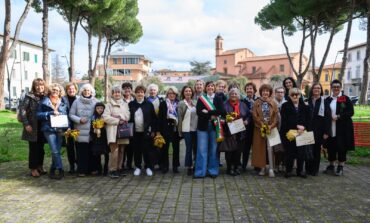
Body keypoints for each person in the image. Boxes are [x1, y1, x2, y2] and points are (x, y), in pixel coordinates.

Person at [194, 81, 225, 178]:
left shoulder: (218, 98)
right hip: (202, 127)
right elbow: (199, 112)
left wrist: (208, 112)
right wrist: (212, 114)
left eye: (212, 86)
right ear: (205, 88)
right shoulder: (201, 99)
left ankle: (213, 171)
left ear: (214, 88)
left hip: (215, 126)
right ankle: (200, 172)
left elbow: (222, 111)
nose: (210, 87)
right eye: (208, 86)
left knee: (213, 149)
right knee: (201, 150)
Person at [37, 83, 68, 179]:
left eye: (57, 90)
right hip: (48, 129)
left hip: (60, 128)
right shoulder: (44, 101)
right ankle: (60, 168)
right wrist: (49, 113)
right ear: (50, 91)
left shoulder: (63, 102)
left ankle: (52, 169)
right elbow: (38, 115)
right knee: (54, 150)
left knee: (57, 150)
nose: (55, 91)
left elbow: (67, 115)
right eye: (53, 90)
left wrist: (68, 127)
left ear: (60, 92)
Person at [324, 80, 354, 176]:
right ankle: (331, 165)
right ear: (331, 88)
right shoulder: (327, 99)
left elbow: (351, 112)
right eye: (334, 86)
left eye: (338, 86)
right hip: (330, 127)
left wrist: (339, 116)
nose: (336, 88)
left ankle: (340, 166)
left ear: (340, 88)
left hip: (342, 128)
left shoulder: (345, 99)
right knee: (331, 146)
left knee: (341, 147)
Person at [69, 83, 99, 177]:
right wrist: (79, 119)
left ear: (91, 92)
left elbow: (99, 113)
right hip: (80, 130)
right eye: (85, 90)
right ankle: (82, 170)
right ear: (82, 91)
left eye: (88, 90)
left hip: (92, 131)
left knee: (92, 151)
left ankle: (93, 169)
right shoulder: (76, 102)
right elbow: (71, 115)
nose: (86, 92)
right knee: (81, 152)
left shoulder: (95, 101)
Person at [19, 78, 47, 178]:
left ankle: (40, 166)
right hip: (32, 126)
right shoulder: (29, 97)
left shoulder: (45, 97)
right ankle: (33, 168)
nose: (40, 87)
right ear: (34, 86)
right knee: (34, 148)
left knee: (41, 148)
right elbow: (22, 111)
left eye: (41, 85)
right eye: (37, 85)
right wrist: (26, 124)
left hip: (43, 126)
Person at [280, 88, 310, 178]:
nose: (294, 96)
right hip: (289, 132)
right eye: (292, 94)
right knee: (289, 153)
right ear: (289, 96)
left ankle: (300, 171)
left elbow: (309, 119)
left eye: (296, 94)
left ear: (300, 96)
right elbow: (284, 120)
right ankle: (288, 171)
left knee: (301, 153)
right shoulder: (285, 106)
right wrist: (297, 126)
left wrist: (304, 127)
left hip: (302, 133)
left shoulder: (305, 106)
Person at [129, 85, 158, 176]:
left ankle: (148, 167)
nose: (140, 94)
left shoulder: (149, 104)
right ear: (135, 93)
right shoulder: (131, 104)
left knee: (147, 150)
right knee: (137, 150)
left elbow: (154, 119)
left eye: (141, 92)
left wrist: (153, 130)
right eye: (138, 92)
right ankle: (138, 167)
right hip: (135, 132)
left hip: (147, 132)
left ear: (144, 93)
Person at [102, 86, 131, 178]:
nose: (117, 94)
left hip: (123, 130)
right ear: (112, 94)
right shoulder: (108, 105)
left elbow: (128, 115)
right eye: (115, 92)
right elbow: (105, 117)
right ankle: (112, 170)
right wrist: (118, 120)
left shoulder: (125, 104)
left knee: (122, 150)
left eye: (119, 92)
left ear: (121, 94)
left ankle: (119, 168)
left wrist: (116, 116)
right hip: (113, 130)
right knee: (114, 150)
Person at [251, 84, 278, 177]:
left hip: (271, 128)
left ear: (270, 92)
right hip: (259, 128)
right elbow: (254, 116)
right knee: (260, 149)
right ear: (261, 92)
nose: (265, 92)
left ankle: (271, 168)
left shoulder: (273, 102)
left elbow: (276, 117)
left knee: (270, 149)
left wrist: (271, 126)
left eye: (267, 91)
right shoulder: (256, 102)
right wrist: (262, 125)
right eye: (263, 91)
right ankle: (262, 168)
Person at [223, 87, 251, 176]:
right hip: (229, 131)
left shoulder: (243, 105)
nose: (234, 95)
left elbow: (248, 115)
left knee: (238, 150)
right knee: (229, 150)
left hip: (240, 131)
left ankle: (236, 166)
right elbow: (221, 116)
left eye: (235, 94)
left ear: (238, 95)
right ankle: (229, 167)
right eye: (232, 94)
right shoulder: (225, 105)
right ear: (229, 95)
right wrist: (227, 119)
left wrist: (247, 121)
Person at [306, 83, 331, 176]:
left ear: (321, 90)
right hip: (308, 130)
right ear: (312, 89)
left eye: (319, 88)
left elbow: (328, 118)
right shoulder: (307, 101)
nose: (317, 89)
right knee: (308, 150)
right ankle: (308, 169)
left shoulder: (324, 102)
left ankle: (315, 170)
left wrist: (326, 132)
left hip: (319, 131)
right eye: (315, 88)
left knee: (316, 151)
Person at [158, 86, 181, 174]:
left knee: (176, 148)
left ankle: (175, 167)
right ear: (167, 94)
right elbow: (160, 118)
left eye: (173, 93)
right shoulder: (163, 103)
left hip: (175, 128)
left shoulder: (179, 103)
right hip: (165, 128)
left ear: (176, 95)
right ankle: (165, 166)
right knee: (165, 148)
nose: (171, 95)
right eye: (170, 93)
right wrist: (159, 130)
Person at [178, 86, 198, 176]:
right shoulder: (181, 103)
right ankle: (189, 167)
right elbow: (179, 118)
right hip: (186, 130)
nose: (188, 92)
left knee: (196, 148)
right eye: (186, 91)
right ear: (183, 93)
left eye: (190, 91)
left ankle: (196, 165)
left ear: (192, 93)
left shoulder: (195, 102)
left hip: (196, 128)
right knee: (189, 148)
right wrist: (180, 131)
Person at [62, 82, 79, 174]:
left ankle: (79, 164)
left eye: (73, 89)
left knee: (78, 146)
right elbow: (63, 113)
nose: (71, 90)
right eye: (69, 89)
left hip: (78, 125)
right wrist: (67, 126)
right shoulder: (63, 100)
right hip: (67, 126)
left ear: (76, 90)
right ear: (66, 90)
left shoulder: (79, 99)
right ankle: (72, 165)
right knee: (70, 147)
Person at [241, 82, 258, 171]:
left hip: (257, 127)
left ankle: (257, 165)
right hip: (246, 127)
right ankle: (244, 165)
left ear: (254, 90)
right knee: (246, 147)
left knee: (256, 146)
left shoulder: (259, 100)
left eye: (251, 88)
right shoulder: (243, 101)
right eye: (247, 89)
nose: (249, 90)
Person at [90, 102, 109, 176]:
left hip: (105, 138)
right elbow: (91, 128)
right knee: (97, 155)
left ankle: (106, 169)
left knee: (106, 154)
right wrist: (95, 130)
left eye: (101, 108)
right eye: (98, 108)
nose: (100, 110)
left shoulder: (105, 116)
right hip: (97, 139)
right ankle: (99, 169)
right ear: (95, 109)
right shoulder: (93, 117)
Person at [122, 82, 135, 171]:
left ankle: (129, 164)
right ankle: (121, 164)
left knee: (131, 146)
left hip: (133, 126)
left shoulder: (134, 100)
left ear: (131, 90)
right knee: (123, 146)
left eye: (128, 88)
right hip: (122, 125)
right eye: (125, 88)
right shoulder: (119, 100)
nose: (127, 90)